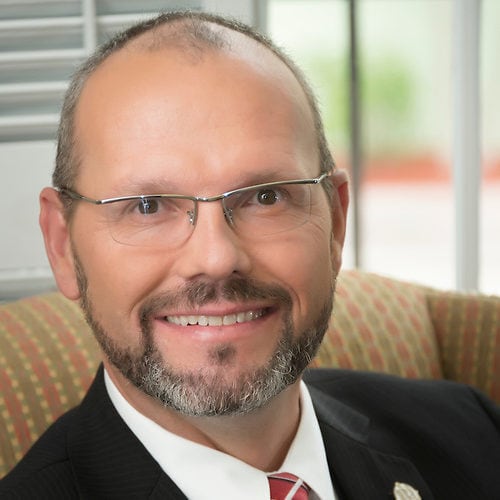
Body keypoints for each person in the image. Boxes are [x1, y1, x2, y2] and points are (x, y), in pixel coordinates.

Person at [1, 10, 499, 500]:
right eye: (148, 206)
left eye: (266, 197)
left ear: (335, 222)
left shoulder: (472, 433)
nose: (216, 258)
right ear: (62, 245)